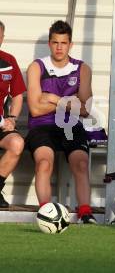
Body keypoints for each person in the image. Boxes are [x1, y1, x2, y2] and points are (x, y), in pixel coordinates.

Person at [26, 20, 96, 223]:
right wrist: (70, 102)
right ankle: (46, 214)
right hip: (43, 126)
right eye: (55, 42)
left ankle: (85, 213)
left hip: (70, 125)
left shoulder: (82, 69)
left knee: (81, 164)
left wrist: (54, 99)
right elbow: (35, 109)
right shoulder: (37, 67)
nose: (59, 47)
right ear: (49, 44)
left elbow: (84, 109)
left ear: (70, 45)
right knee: (44, 163)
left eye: (63, 43)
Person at [0, 20, 26, 208]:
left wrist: (12, 118)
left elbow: (17, 96)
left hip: (0, 124)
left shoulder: (9, 61)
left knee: (17, 143)